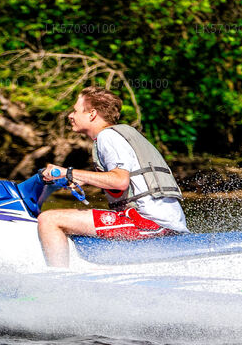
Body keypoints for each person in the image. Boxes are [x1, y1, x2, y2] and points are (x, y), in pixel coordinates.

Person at [37, 86, 188, 267]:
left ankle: (58, 284)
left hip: (152, 224)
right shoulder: (119, 134)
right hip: (162, 222)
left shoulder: (107, 137)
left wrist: (68, 172)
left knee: (49, 219)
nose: (70, 115)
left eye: (75, 111)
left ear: (92, 114)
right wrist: (81, 178)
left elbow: (120, 181)